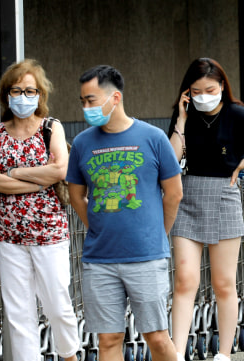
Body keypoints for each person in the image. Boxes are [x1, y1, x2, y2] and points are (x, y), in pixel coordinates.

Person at [168, 58, 244, 361]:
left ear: (221, 85)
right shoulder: (185, 114)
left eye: (210, 89)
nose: (203, 95)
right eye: (196, 91)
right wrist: (181, 121)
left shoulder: (237, 114)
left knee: (223, 283)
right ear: (187, 92)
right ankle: (177, 353)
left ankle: (223, 353)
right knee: (184, 280)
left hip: (224, 194)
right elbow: (171, 159)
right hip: (188, 195)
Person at [67, 65, 183, 361]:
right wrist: (95, 225)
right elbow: (76, 194)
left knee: (157, 336)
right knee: (108, 339)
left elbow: (174, 192)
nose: (86, 107)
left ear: (114, 97)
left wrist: (159, 232)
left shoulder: (153, 138)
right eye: (82, 101)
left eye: (91, 100)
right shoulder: (81, 143)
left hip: (146, 255)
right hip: (100, 259)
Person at [0, 59, 79, 361]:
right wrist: (38, 179)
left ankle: (69, 354)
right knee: (18, 312)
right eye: (16, 90)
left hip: (49, 231)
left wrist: (12, 173)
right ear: (6, 95)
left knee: (57, 304)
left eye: (29, 91)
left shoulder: (52, 128)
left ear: (40, 95)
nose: (23, 97)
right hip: (8, 234)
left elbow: (61, 170)